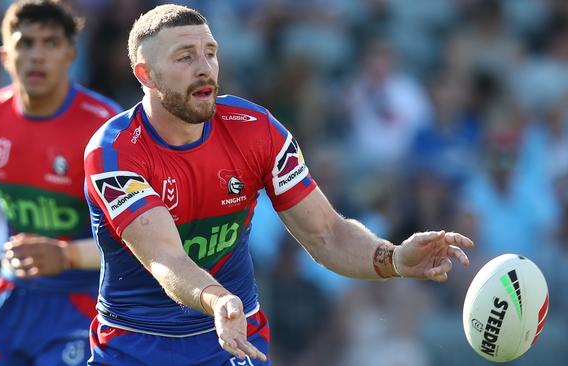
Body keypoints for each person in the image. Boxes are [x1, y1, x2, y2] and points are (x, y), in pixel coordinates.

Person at [83, 4, 473, 365]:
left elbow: (327, 234)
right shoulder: (114, 151)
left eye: (211, 52)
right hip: (134, 345)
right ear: (145, 74)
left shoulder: (257, 130)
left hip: (234, 343)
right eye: (185, 57)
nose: (205, 67)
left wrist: (395, 259)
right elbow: (166, 258)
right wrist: (218, 300)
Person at [0, 1, 121, 365]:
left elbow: (135, 238)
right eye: (25, 43)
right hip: (14, 296)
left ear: (70, 54)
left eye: (51, 43)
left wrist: (67, 255)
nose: (37, 56)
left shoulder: (104, 127)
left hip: (84, 301)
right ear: (5, 55)